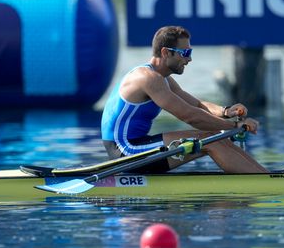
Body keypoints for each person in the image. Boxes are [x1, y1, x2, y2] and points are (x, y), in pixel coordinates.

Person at [101, 25, 268, 174]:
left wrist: (226, 111)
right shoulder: (148, 78)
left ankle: (265, 175)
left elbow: (197, 104)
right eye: (185, 53)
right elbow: (190, 116)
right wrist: (234, 126)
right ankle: (266, 182)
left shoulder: (163, 79)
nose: (189, 59)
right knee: (210, 140)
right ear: (166, 52)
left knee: (214, 136)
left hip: (137, 145)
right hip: (124, 151)